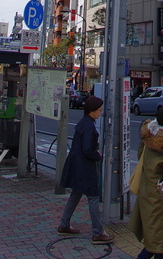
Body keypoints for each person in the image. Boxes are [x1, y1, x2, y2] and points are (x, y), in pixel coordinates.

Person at [58, 96, 113, 244]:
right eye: (99, 110)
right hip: (85, 167)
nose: (100, 113)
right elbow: (88, 149)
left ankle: (64, 224)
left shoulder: (83, 123)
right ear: (92, 111)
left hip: (76, 165)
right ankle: (97, 232)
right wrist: (98, 156)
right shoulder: (89, 127)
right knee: (93, 198)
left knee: (75, 194)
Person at [130, 105, 163, 259]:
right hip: (160, 201)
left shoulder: (148, 136)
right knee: (159, 245)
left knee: (154, 243)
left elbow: (141, 157)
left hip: (146, 193)